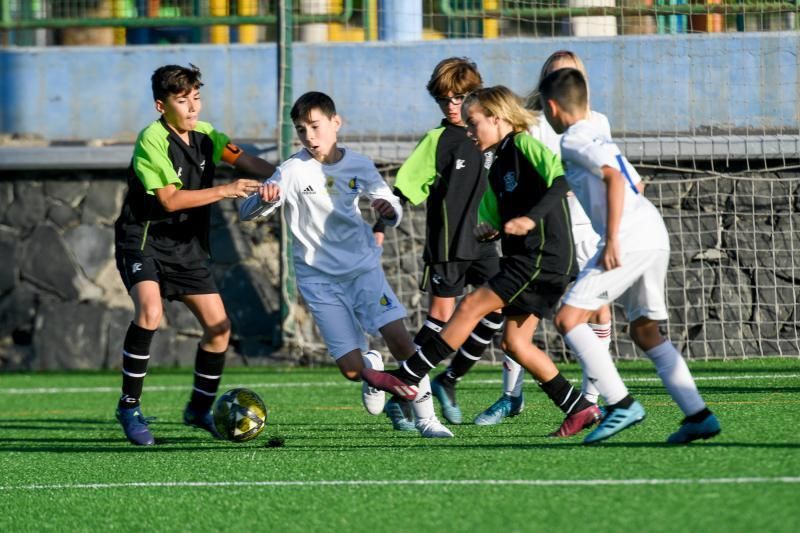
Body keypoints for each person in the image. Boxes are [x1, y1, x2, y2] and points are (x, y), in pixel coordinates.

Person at [363, 86, 602, 438]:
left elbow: (561, 180)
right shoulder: (496, 164)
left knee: (472, 305)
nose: (470, 132)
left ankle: (407, 377)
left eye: (475, 123)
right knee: (515, 344)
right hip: (530, 257)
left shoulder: (522, 145)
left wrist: (531, 219)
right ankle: (578, 408)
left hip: (543, 255)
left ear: (498, 118)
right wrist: (490, 231)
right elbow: (492, 217)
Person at [239, 91, 452, 438]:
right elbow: (247, 211)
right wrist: (264, 200)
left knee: (401, 341)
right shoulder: (292, 170)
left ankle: (428, 419)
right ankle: (372, 366)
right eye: (301, 129)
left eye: (315, 126)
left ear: (336, 123)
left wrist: (389, 210)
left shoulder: (359, 165)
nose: (309, 136)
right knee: (352, 371)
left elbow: (390, 204)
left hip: (363, 272)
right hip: (318, 281)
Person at [539, 68, 722, 444]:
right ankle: (698, 415)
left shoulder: (573, 139)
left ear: (553, 107)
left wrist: (612, 239)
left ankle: (620, 404)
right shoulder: (598, 133)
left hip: (629, 238)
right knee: (645, 331)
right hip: (653, 231)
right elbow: (634, 180)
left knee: (569, 318)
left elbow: (614, 177)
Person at [475, 50, 642, 426]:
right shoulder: (531, 123)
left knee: (597, 309)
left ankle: (592, 397)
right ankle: (511, 395)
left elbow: (609, 170)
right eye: (555, 74)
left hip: (589, 229)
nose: (562, 80)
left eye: (570, 74)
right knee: (520, 311)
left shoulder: (597, 120)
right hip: (549, 231)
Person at [113, 64, 276, 446]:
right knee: (150, 312)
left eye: (196, 98)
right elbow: (169, 200)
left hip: (185, 248)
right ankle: (129, 406)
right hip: (144, 240)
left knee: (219, 330)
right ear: (160, 105)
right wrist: (226, 190)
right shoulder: (151, 140)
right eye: (182, 100)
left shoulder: (209, 136)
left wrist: (289, 179)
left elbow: (253, 163)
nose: (192, 108)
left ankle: (199, 408)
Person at [374, 57, 502, 425]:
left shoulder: (491, 135)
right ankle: (402, 394)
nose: (452, 106)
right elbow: (403, 189)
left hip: (483, 242)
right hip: (449, 243)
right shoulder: (437, 140)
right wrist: (381, 224)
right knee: (441, 320)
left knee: (497, 309)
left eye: (459, 98)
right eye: (444, 100)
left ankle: (449, 378)